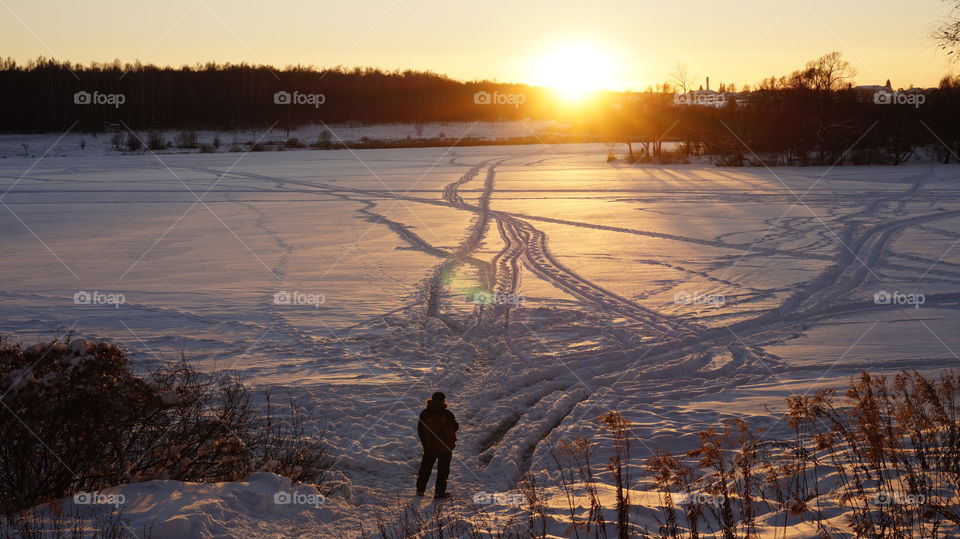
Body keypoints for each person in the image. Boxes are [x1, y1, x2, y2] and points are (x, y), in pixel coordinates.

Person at [416, 391, 458, 499]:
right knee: (443, 470)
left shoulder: (425, 413)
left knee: (425, 468)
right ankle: (439, 492)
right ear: (443, 400)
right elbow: (455, 427)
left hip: (430, 447)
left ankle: (420, 490)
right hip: (445, 446)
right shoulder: (447, 413)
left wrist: (426, 444)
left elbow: (421, 430)